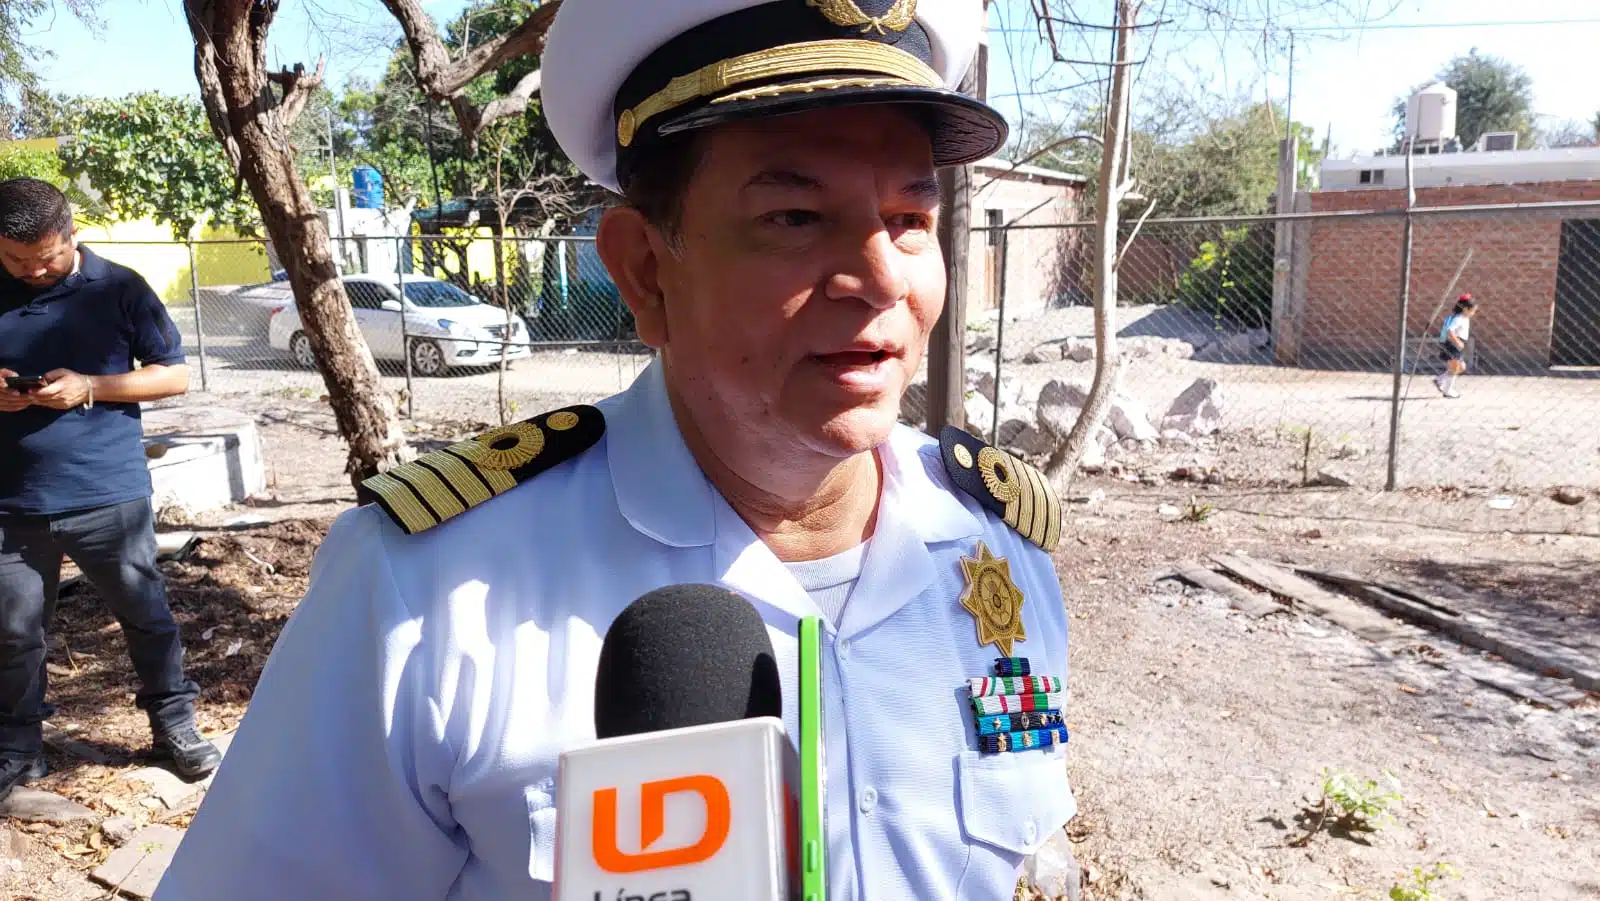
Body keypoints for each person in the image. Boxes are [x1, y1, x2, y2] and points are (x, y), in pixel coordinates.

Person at [156, 0, 1076, 898]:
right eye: (795, 218)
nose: (881, 276)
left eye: (910, 218)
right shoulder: (428, 592)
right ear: (644, 269)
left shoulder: (998, 548)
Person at [0, 178, 223, 799]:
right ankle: (17, 758)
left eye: (46, 256)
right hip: (9, 508)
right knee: (14, 636)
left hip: (106, 496)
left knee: (146, 617)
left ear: (72, 233)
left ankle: (174, 728)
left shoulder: (120, 288)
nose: (34, 271)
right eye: (16, 261)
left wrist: (91, 387)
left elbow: (174, 375)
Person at [1435, 293, 1478, 399]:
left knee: (1461, 367)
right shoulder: (1458, 318)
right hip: (1452, 344)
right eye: (1473, 310)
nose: (1474, 313)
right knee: (1454, 368)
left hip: (1456, 344)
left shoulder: (1463, 317)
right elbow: (1450, 331)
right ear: (1465, 309)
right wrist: (1457, 342)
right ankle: (1448, 390)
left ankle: (1440, 380)